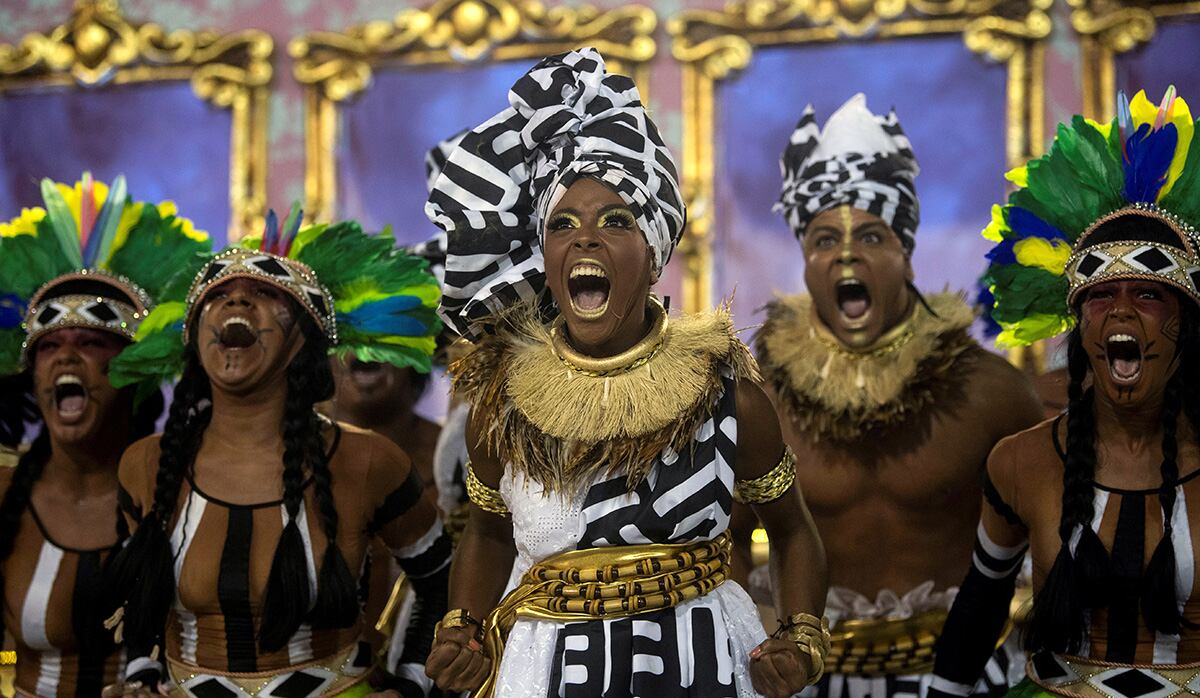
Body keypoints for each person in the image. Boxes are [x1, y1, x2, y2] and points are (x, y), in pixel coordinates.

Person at [421, 48, 828, 698]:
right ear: (547, 253)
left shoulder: (727, 398)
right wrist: (462, 625)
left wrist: (803, 637)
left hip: (703, 665)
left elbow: (791, 530)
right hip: (545, 668)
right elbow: (490, 534)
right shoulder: (502, 406)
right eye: (562, 225)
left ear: (654, 251)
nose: (585, 239)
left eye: (615, 222)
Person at [752, 94, 1043, 697]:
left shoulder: (987, 390)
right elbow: (720, 543)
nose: (848, 254)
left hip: (965, 674)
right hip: (810, 681)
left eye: (873, 237)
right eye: (825, 239)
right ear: (806, 264)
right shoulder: (761, 398)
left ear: (907, 257)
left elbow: (1057, 527)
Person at [103, 212, 450, 697]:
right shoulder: (145, 465)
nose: (238, 298)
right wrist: (142, 674)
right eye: (217, 296)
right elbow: (137, 599)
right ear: (194, 337)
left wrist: (412, 686)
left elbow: (442, 583)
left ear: (304, 341)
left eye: (266, 293)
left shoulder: (368, 461)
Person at [930, 88, 1200, 697]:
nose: (1121, 311)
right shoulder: (1021, 461)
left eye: (1150, 294)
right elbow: (980, 607)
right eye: (1101, 295)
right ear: (1079, 328)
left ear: (1188, 324)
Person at [0, 175, 210, 697]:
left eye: (92, 342)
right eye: (49, 347)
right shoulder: (4, 495)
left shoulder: (190, 488)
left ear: (133, 372)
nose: (67, 357)